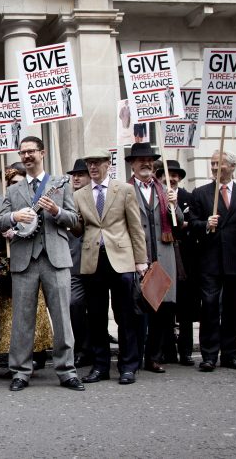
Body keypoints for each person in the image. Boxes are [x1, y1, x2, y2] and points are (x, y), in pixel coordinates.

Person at [0, 137, 83, 392]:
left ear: (42, 153)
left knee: (62, 318)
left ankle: (67, 371)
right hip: (25, 260)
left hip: (55, 258)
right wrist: (13, 216)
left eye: (31, 151)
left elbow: (75, 220)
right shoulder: (13, 190)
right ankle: (20, 371)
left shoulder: (60, 183)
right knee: (22, 319)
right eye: (22, 152)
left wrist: (56, 211)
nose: (26, 156)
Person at [74, 148, 148, 385]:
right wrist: (61, 216)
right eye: (89, 163)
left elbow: (135, 227)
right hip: (93, 261)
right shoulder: (80, 195)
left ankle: (128, 366)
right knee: (96, 318)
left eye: (97, 163)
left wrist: (141, 260)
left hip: (121, 260)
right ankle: (100, 366)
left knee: (125, 316)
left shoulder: (123, 190)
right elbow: (78, 229)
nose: (92, 167)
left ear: (108, 164)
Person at [190, 150, 236, 372]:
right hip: (209, 260)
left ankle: (231, 354)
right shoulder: (200, 193)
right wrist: (206, 224)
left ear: (232, 167)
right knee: (209, 307)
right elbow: (192, 225)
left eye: (220, 164)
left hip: (235, 260)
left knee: (233, 308)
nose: (216, 168)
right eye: (213, 163)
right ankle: (208, 355)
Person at [0, 166, 54, 371]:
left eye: (19, 181)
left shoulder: (36, 198)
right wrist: (4, 231)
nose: (16, 185)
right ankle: (7, 352)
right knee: (9, 308)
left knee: (35, 307)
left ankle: (38, 350)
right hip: (7, 261)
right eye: (12, 182)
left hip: (33, 258)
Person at [126, 143, 182, 374]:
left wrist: (174, 203)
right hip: (136, 256)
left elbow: (177, 222)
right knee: (137, 308)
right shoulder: (124, 188)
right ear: (132, 164)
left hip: (162, 253)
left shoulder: (163, 189)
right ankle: (135, 355)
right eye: (140, 160)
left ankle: (154, 356)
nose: (146, 163)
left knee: (161, 309)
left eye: (149, 159)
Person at [156, 160, 198, 366]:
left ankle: (186, 350)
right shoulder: (156, 196)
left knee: (185, 308)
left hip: (186, 257)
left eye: (174, 175)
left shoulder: (189, 198)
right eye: (166, 174)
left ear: (179, 178)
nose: (170, 178)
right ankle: (167, 350)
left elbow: (192, 222)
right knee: (165, 307)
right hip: (164, 254)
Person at [66, 159, 91, 367]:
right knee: (74, 304)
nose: (76, 177)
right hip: (73, 263)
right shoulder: (67, 199)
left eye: (81, 174)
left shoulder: (96, 197)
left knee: (96, 307)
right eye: (74, 174)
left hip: (96, 262)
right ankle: (81, 347)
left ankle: (94, 346)